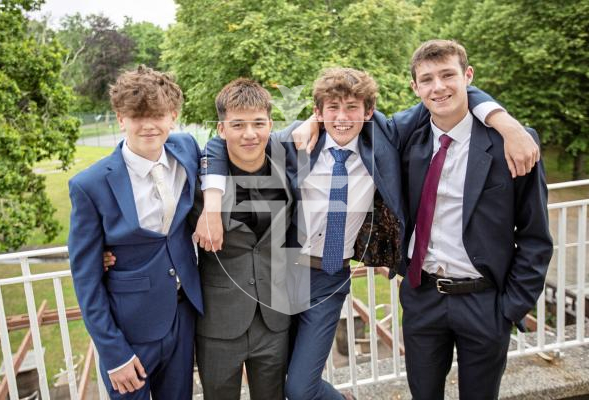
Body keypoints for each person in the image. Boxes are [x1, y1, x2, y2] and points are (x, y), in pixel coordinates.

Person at [196, 67, 529, 399]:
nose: (342, 118)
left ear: (369, 112)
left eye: (352, 108)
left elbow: (444, 95)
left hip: (328, 279)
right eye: (332, 108)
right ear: (318, 111)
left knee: (299, 389)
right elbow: (217, 145)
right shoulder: (293, 142)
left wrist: (505, 122)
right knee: (277, 376)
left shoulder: (384, 139)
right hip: (280, 276)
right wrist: (211, 207)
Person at [391, 39, 552, 399]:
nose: (439, 87)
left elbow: (535, 235)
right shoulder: (406, 139)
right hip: (423, 296)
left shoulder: (513, 144)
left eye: (448, 75)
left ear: (468, 76)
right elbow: (352, 121)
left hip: (485, 302)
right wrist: (311, 123)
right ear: (414, 88)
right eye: (427, 79)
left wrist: (510, 308)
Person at [68, 65, 202, 400]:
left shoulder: (186, 148)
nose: (148, 125)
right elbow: (85, 279)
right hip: (130, 330)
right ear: (120, 118)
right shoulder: (90, 185)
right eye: (136, 116)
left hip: (183, 315)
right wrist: (114, 353)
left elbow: (219, 155)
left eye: (157, 115)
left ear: (173, 116)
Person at [193, 78, 293, 400]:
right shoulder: (202, 182)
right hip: (219, 323)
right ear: (221, 130)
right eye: (237, 125)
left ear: (270, 125)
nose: (249, 134)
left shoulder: (287, 166)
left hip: (274, 319)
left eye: (258, 123)